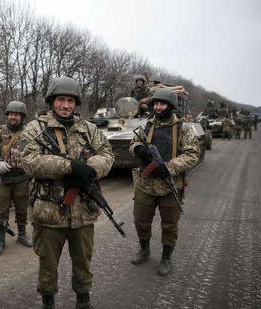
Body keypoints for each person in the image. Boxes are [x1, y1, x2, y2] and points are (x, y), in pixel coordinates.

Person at [20, 76, 114, 309]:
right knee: (47, 263)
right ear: (52, 102)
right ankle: (48, 301)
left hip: (83, 211)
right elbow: (29, 162)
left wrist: (89, 169)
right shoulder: (35, 128)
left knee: (83, 260)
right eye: (61, 100)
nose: (65, 105)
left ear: (76, 103)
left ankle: (83, 299)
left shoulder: (89, 129)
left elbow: (108, 155)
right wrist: (69, 167)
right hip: (48, 212)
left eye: (70, 101)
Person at [129, 88, 200, 276]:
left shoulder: (183, 128)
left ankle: (166, 257)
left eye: (162, 104)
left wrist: (168, 167)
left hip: (171, 185)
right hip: (145, 184)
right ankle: (144, 249)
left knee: (169, 225)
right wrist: (138, 149)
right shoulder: (148, 124)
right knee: (140, 221)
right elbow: (134, 142)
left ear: (170, 105)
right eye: (155, 104)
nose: (158, 107)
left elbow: (193, 154)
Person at [0, 101, 33, 256]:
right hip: (3, 179)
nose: (13, 117)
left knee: (22, 208)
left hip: (22, 178)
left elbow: (35, 150)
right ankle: (0, 239)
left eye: (16, 114)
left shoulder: (29, 132)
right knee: (1, 210)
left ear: (22, 116)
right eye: (11, 114)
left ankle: (22, 234)